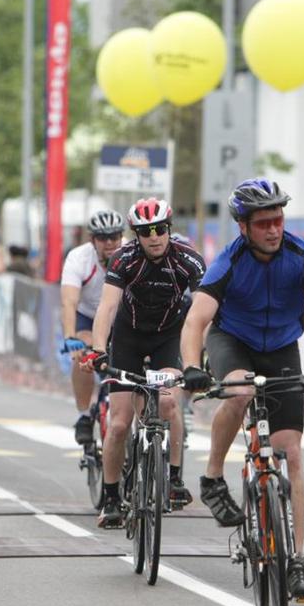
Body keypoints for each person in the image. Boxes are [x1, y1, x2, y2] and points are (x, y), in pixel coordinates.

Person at [179, 178, 304, 602]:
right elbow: (196, 321)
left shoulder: (302, 254)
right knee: (240, 391)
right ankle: (213, 477)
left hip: (281, 346)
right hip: (232, 340)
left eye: (278, 220)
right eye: (264, 223)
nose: (274, 229)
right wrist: (192, 366)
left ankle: (297, 558)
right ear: (243, 227)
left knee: (292, 453)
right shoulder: (228, 261)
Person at [80, 198, 205, 528]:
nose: (154, 237)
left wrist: (199, 359)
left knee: (168, 403)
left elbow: (204, 311)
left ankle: (174, 478)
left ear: (169, 229)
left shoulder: (188, 259)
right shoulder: (124, 259)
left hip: (168, 337)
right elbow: (107, 307)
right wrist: (98, 349)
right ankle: (111, 497)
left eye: (160, 229)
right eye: (146, 231)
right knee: (120, 423)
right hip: (128, 339)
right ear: (136, 235)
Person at [60, 210, 125, 445]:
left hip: (121, 318)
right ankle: (84, 415)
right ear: (92, 240)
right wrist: (70, 337)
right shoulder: (79, 258)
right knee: (83, 355)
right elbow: (69, 302)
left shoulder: (131, 254)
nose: (109, 243)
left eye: (114, 237)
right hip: (87, 316)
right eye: (103, 238)